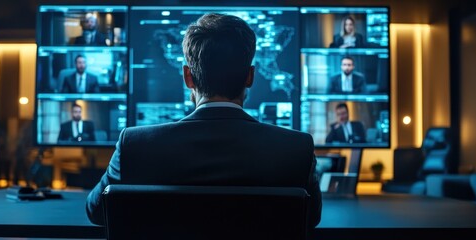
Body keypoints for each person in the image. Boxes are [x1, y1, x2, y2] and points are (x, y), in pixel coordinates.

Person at [86, 13, 322, 230]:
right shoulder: (296, 149)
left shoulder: (135, 145)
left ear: (188, 76)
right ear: (250, 76)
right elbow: (309, 219)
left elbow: (96, 211)